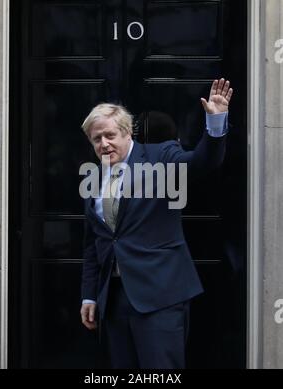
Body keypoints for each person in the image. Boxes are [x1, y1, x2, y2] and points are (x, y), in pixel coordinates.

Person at [80, 78, 233, 369]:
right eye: (96, 139)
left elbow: (203, 163)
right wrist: (89, 296)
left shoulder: (160, 156)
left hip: (160, 296)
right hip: (113, 300)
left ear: (127, 133)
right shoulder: (93, 177)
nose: (104, 144)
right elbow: (93, 244)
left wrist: (216, 122)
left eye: (110, 135)